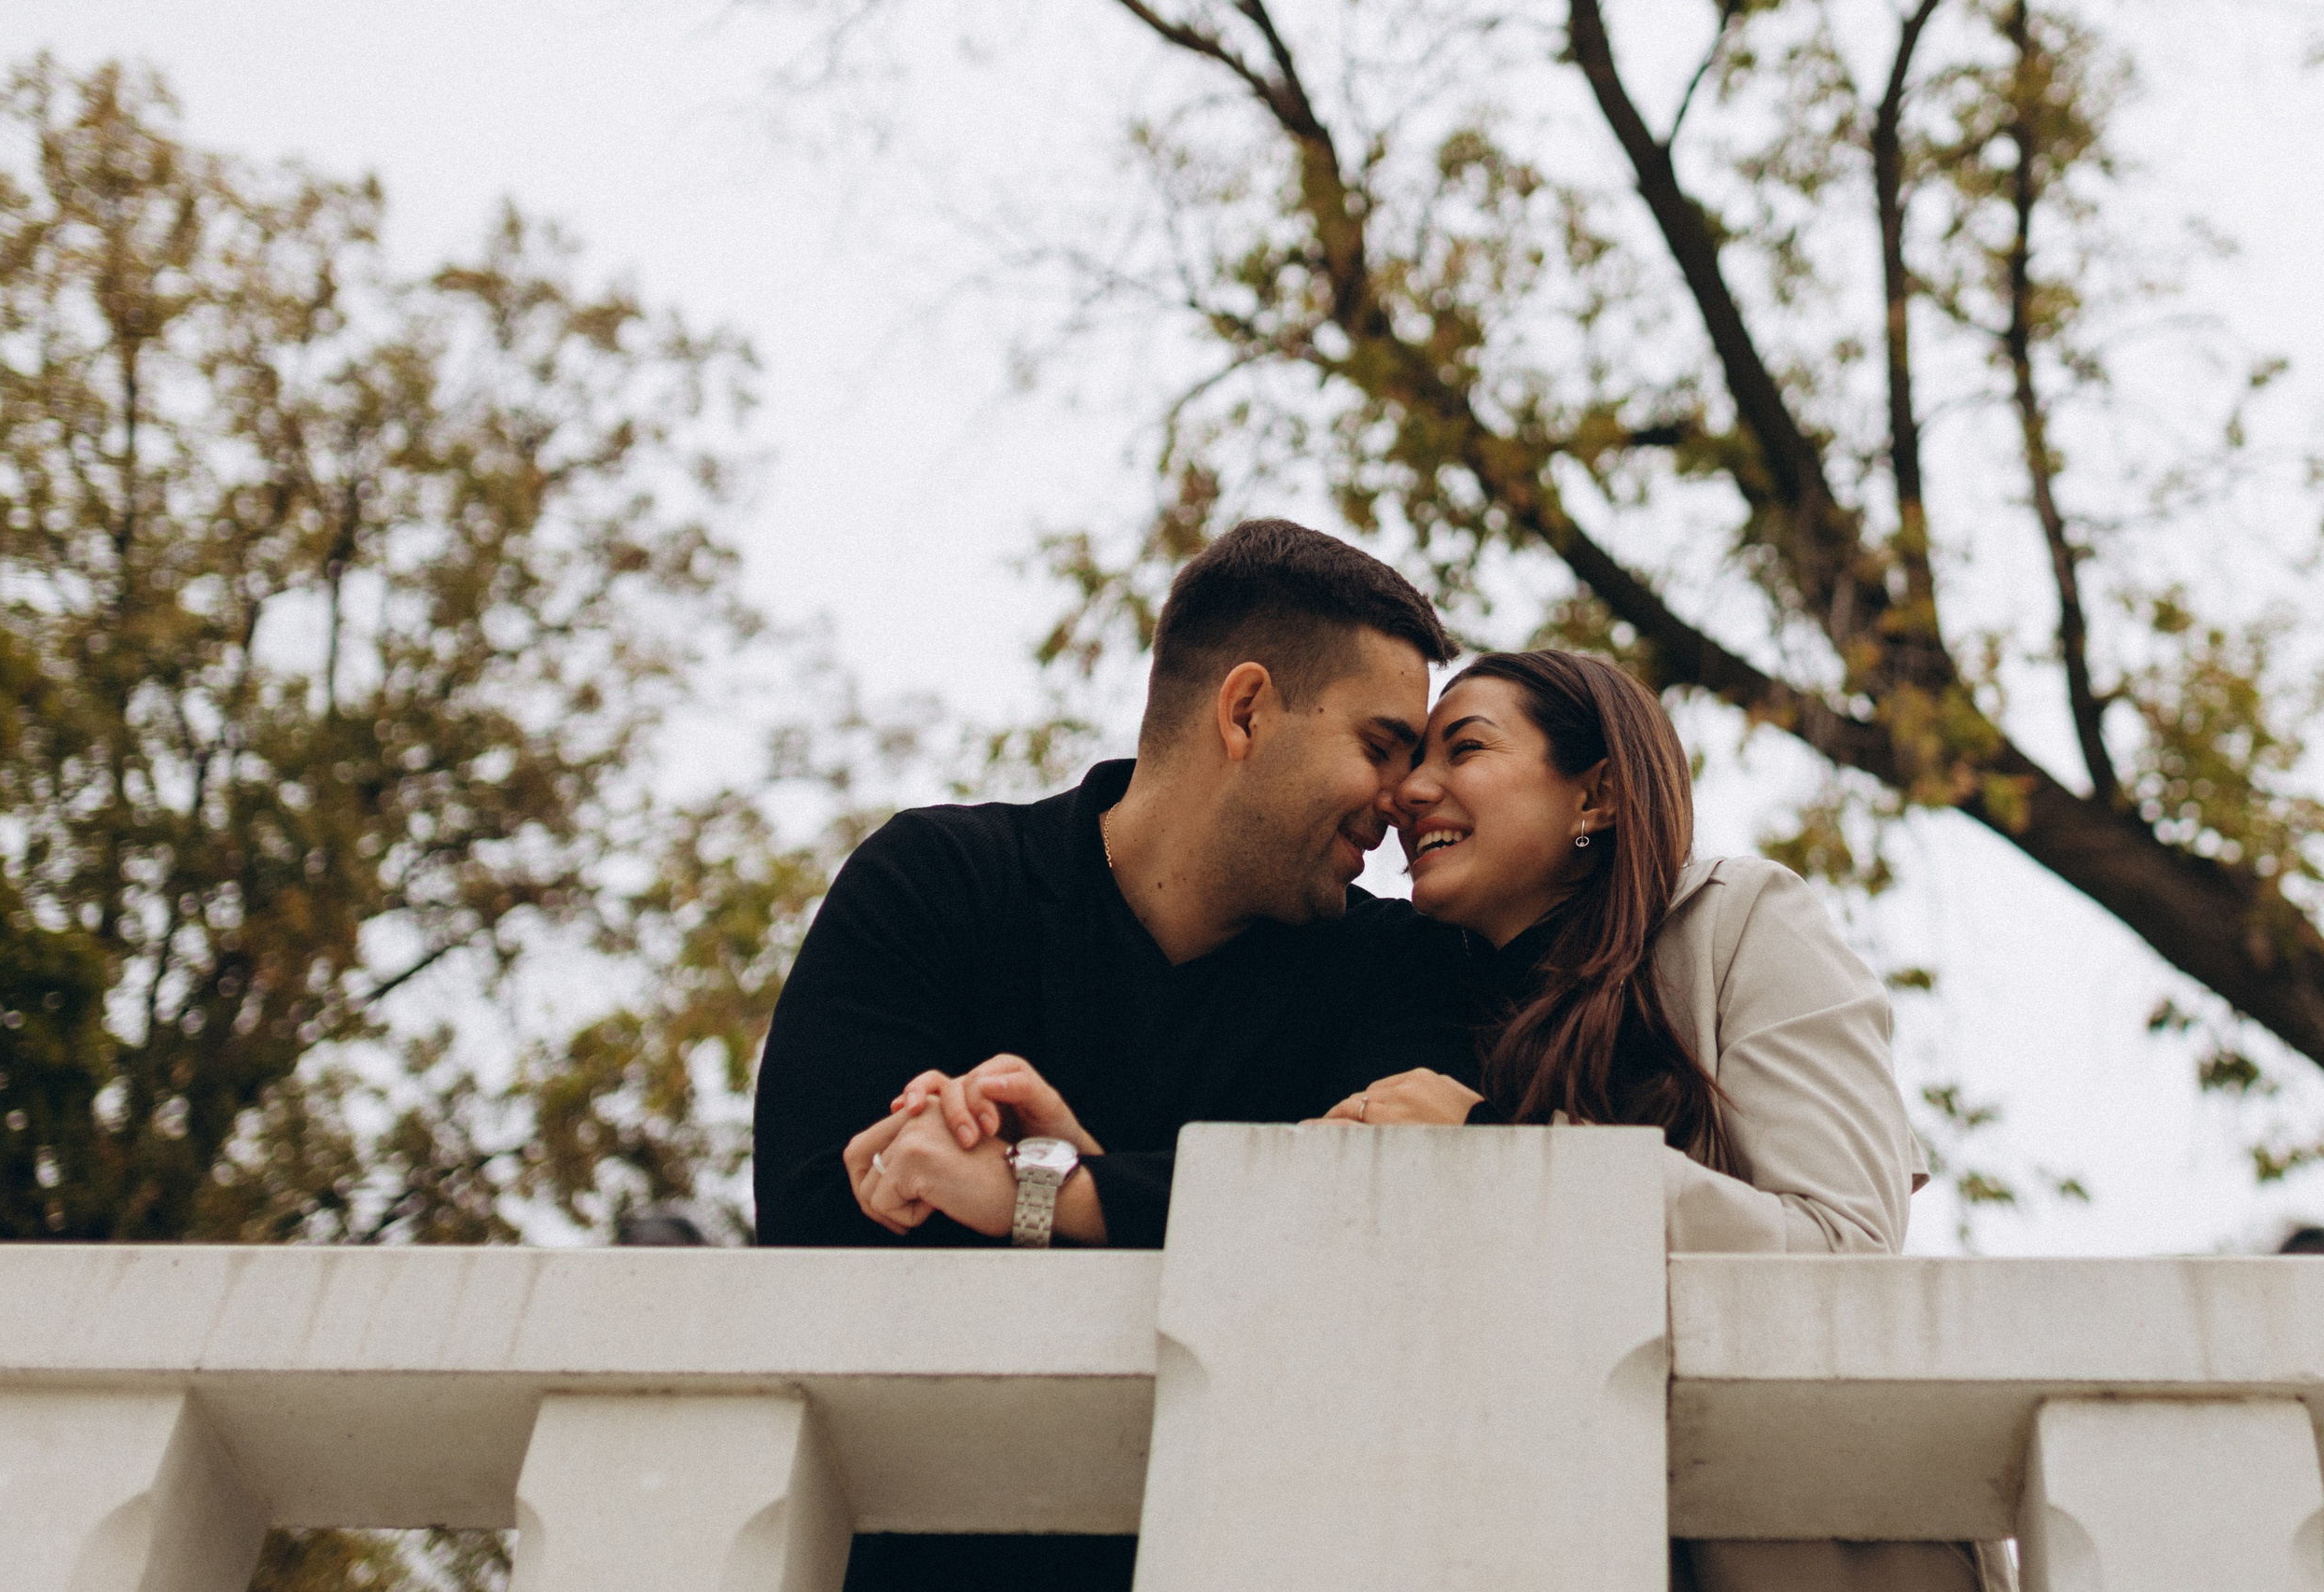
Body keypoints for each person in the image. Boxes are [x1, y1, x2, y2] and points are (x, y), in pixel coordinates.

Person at [752, 517, 1469, 1592]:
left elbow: (1383, 1256)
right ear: (1245, 709)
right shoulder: (938, 882)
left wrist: (1046, 1184)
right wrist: (1179, 1219)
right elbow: (817, 1236)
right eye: (1378, 745)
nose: (1405, 798)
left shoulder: (1399, 970)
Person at [1326, 649, 2016, 1592]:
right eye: (1409, 758)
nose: (1410, 789)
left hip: (1802, 1548)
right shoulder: (1411, 998)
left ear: (1597, 794)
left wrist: (1505, 1154)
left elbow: (1843, 1248)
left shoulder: (1738, 921)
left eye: (1465, 747)